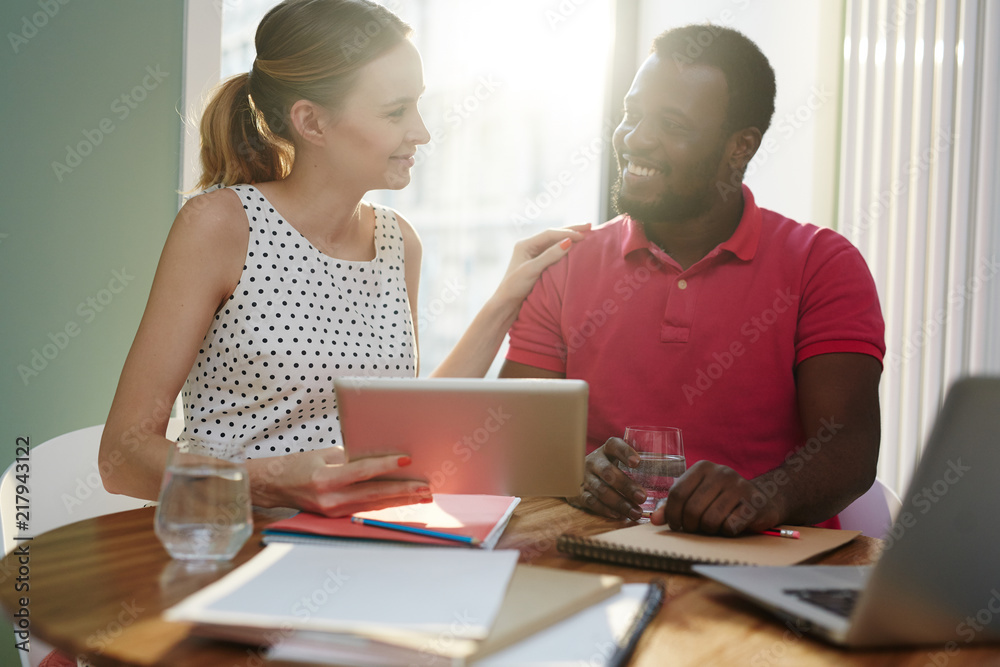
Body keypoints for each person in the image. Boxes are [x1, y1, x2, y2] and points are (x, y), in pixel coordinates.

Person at [98, 0, 584, 518]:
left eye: (416, 105)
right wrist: (273, 483)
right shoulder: (220, 226)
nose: (420, 131)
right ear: (312, 122)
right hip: (228, 539)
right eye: (396, 111)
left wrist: (506, 298)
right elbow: (122, 457)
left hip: (358, 542)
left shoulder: (399, 241)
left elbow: (406, 432)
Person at [500, 25, 885, 536]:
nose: (636, 139)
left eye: (672, 125)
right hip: (592, 558)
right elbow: (513, 435)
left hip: (757, 564)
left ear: (739, 147)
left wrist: (761, 496)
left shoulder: (822, 263)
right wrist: (570, 471)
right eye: (632, 115)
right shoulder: (566, 263)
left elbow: (847, 450)